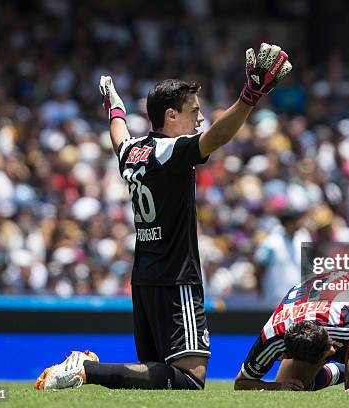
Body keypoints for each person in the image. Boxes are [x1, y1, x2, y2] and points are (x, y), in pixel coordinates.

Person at [35, 43, 292, 391]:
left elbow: (118, 132)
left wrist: (113, 104)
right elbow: (217, 136)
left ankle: (87, 371)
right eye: (194, 111)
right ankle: (86, 370)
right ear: (171, 116)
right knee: (189, 378)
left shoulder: (132, 152)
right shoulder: (169, 150)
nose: (199, 118)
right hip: (176, 276)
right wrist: (250, 95)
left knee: (157, 377)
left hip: (144, 276)